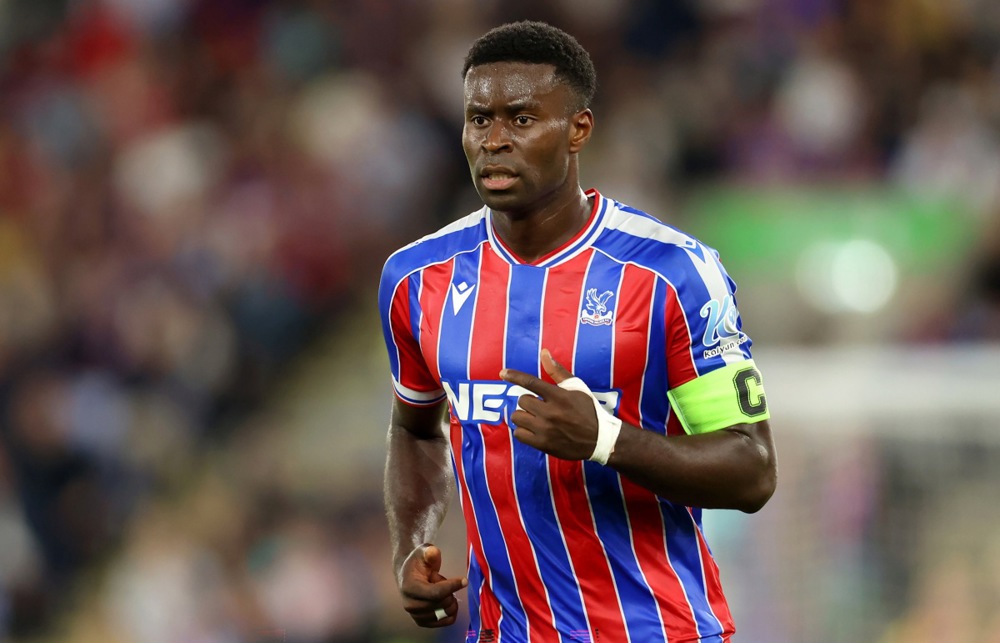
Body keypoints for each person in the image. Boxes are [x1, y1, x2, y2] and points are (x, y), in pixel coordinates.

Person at [378, 20, 777, 643]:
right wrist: (412, 545)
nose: (495, 141)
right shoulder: (415, 279)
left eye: (521, 118)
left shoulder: (671, 273)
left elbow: (752, 469)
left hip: (657, 630)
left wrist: (606, 439)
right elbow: (415, 427)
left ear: (578, 130)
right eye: (479, 120)